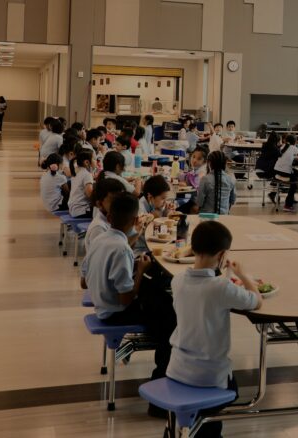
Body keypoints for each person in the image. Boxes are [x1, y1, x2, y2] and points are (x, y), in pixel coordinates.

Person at [80, 193, 176, 418]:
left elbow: (83, 281)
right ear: (135, 221)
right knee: (172, 325)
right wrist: (139, 272)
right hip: (115, 311)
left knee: (161, 295)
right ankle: (160, 400)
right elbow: (125, 299)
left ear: (109, 215)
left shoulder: (101, 238)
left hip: (101, 301)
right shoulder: (121, 249)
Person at [167, 220, 262, 437]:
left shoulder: (178, 281)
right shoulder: (220, 288)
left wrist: (226, 275)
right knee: (234, 390)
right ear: (221, 255)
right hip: (209, 376)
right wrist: (244, 275)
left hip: (177, 368)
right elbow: (256, 301)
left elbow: (215, 290)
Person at [84, 178, 127, 251]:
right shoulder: (98, 228)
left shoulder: (113, 219)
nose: (120, 205)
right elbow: (104, 257)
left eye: (122, 200)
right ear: (100, 204)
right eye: (114, 201)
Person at [274, 134, 298, 212]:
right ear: (295, 142)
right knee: (296, 182)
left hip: (276, 170)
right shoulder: (294, 148)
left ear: (285, 141)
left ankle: (291, 198)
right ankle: (288, 205)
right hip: (285, 173)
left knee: (296, 173)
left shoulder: (282, 146)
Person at [68, 151, 97, 219]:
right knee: (102, 212)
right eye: (94, 159)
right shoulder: (87, 174)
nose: (96, 161)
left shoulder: (77, 172)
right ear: (87, 162)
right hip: (82, 210)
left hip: (73, 209)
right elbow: (89, 194)